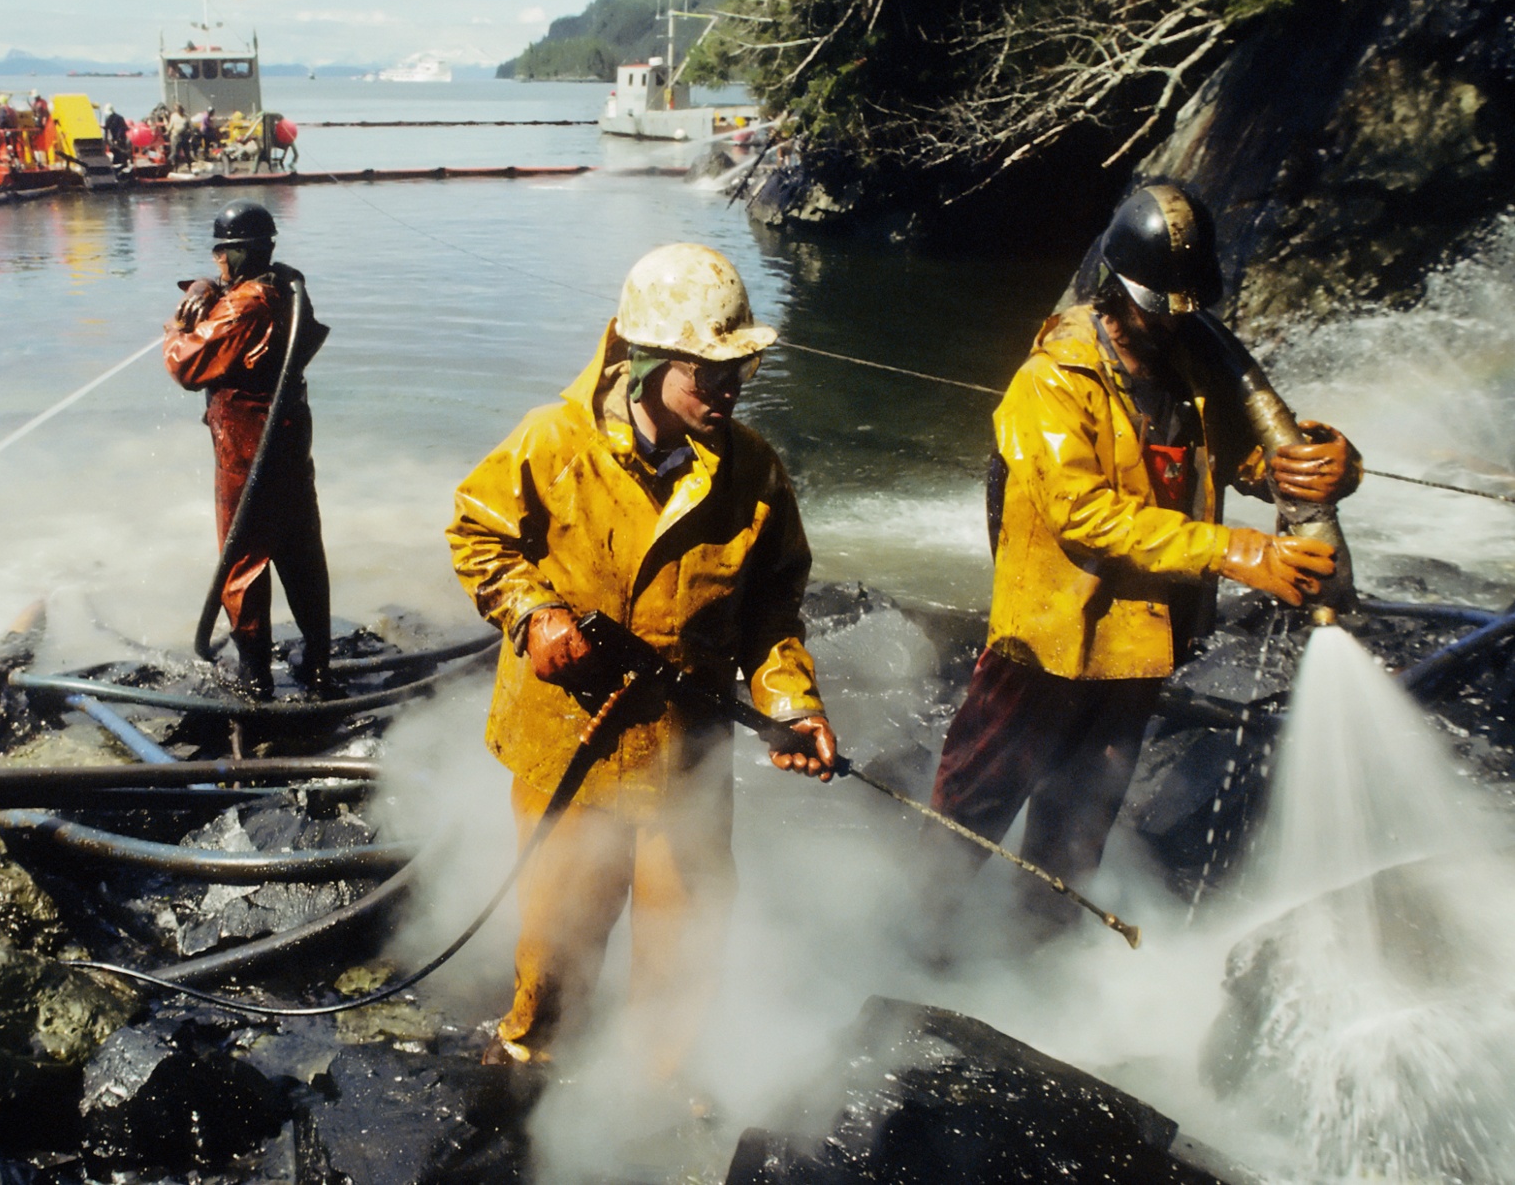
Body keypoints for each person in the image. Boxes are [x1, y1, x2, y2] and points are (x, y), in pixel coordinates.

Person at [924, 183, 1362, 939]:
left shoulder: (1189, 377)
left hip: (1135, 650)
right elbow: (1084, 515)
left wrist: (1330, 464)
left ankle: (1035, 974)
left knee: (1075, 838)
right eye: (1159, 312)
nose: (1171, 327)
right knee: (969, 819)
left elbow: (1250, 463)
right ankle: (909, 951)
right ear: (1116, 295)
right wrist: (1239, 552)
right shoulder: (1051, 383)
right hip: (1045, 645)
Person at [447, 243, 839, 1079]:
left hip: (683, 755)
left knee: (684, 935)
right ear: (647, 359)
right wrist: (534, 612)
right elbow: (477, 534)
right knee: (559, 929)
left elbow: (772, 611)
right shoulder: (553, 443)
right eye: (708, 374)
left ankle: (654, 1096)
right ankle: (533, 1055)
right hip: (568, 743)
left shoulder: (754, 473)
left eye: (741, 370)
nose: (728, 392)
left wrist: (790, 704)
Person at [164, 200, 333, 699]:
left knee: (244, 557)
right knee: (301, 547)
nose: (217, 264)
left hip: (247, 446)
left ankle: (255, 676)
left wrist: (176, 327)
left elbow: (185, 365)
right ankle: (319, 663)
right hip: (287, 439)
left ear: (240, 253)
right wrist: (202, 287)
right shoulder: (283, 288)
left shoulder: (244, 306)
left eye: (222, 256)